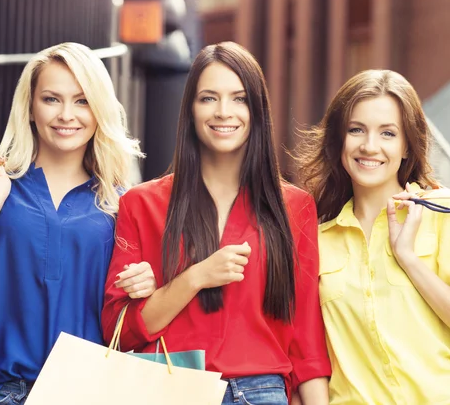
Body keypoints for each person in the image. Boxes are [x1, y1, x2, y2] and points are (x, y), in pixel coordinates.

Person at [0, 42, 155, 405]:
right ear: (30, 108)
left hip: (86, 393)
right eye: (51, 99)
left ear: (99, 111)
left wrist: (148, 283)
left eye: (82, 101)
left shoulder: (122, 204)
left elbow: (131, 318)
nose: (67, 114)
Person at [102, 41, 331, 405]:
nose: (224, 112)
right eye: (208, 98)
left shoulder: (295, 207)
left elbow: (306, 339)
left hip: (263, 392)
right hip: (172, 389)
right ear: (190, 109)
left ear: (257, 110)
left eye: (239, 98)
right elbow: (121, 331)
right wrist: (194, 278)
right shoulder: (141, 205)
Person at [295, 69, 450, 404]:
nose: (369, 146)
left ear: (406, 147)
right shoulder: (316, 240)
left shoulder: (441, 212)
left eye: (388, 133)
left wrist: (409, 259)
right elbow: (307, 353)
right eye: (356, 130)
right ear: (339, 140)